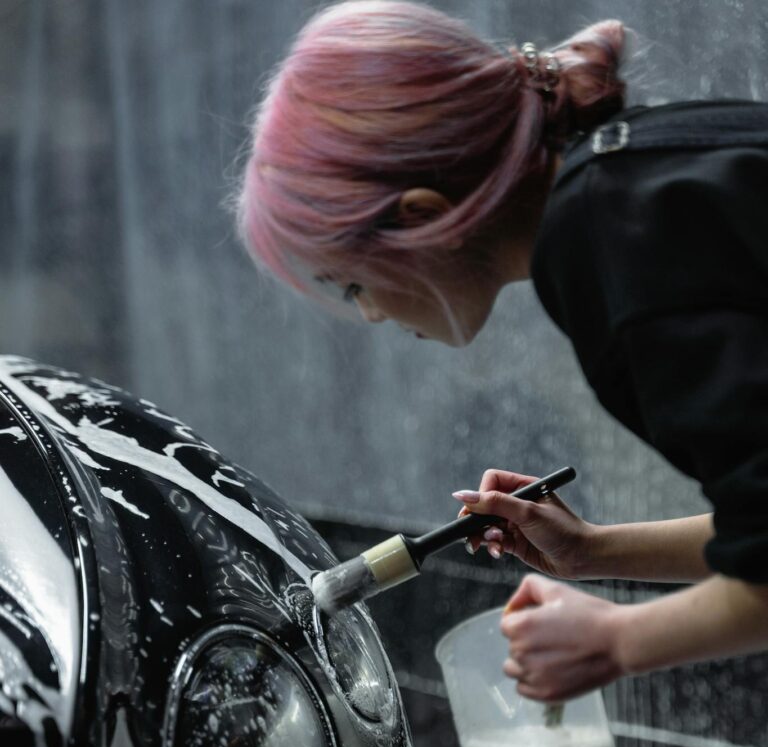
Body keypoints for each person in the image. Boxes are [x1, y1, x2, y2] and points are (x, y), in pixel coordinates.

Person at [236, 0, 768, 703]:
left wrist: (616, 641)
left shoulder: (616, 249)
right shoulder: (634, 174)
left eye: (355, 283)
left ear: (424, 218)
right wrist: (594, 552)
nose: (368, 313)